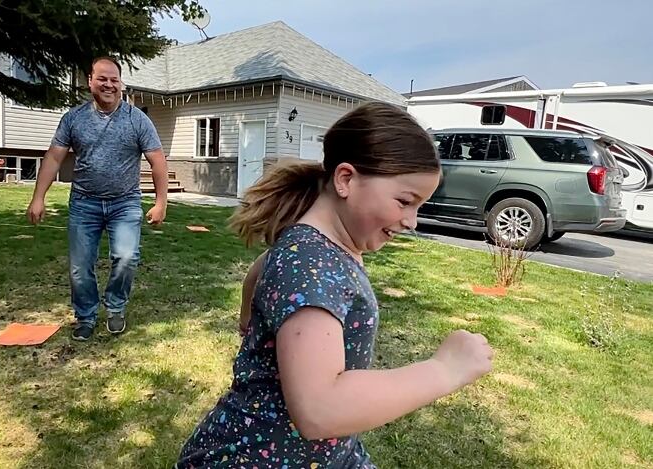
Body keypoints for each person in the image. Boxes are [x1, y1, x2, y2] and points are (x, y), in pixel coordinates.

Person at [176, 102, 494, 467]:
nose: (412, 221)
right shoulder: (310, 261)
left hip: (322, 454)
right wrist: (445, 369)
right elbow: (319, 409)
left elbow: (261, 267)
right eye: (405, 202)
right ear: (346, 179)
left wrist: (250, 319)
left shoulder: (318, 246)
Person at [26, 56, 169, 341]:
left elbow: (157, 161)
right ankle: (86, 316)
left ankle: (115, 308)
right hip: (84, 203)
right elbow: (54, 157)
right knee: (80, 267)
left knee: (127, 257)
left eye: (114, 80)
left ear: (121, 84)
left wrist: (161, 202)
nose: (108, 85)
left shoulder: (137, 120)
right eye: (102, 79)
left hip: (125, 202)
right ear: (90, 82)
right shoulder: (74, 118)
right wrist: (38, 197)